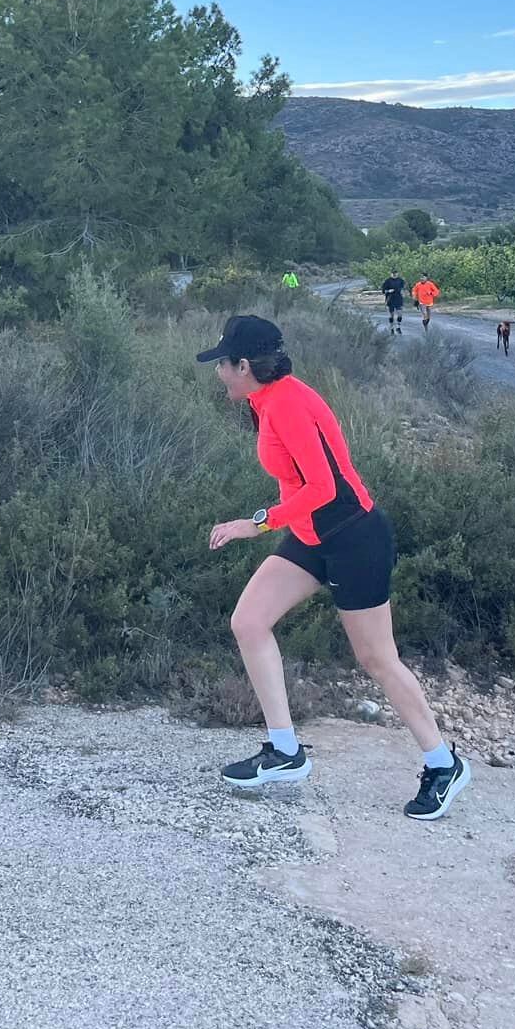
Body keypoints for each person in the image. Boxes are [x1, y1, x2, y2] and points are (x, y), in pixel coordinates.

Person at [198, 314, 470, 820]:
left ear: (244, 365)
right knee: (249, 622)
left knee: (377, 658)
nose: (218, 375)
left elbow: (323, 489)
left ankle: (442, 763)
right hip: (311, 536)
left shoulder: (288, 404)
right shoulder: (266, 399)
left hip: (353, 538)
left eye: (222, 365)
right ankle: (285, 753)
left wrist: (255, 524)